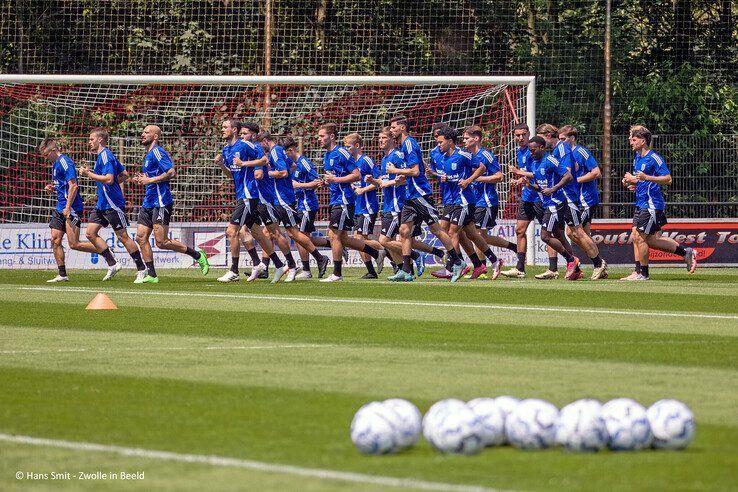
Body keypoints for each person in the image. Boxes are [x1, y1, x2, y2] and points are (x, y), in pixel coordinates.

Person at [385, 115, 460, 282]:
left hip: (420, 194)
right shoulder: (403, 145)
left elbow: (416, 171)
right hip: (409, 196)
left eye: (393, 127)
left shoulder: (410, 144)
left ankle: (456, 260)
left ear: (402, 127)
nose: (391, 130)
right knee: (404, 232)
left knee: (436, 230)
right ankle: (406, 271)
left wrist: (395, 171)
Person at [130, 125, 209, 283]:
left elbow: (171, 172)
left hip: (161, 202)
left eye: (146, 132)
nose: (142, 134)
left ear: (155, 137)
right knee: (140, 237)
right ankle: (152, 275)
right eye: (143, 132)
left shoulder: (158, 151)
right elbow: (153, 175)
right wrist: (142, 179)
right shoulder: (148, 154)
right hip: (148, 201)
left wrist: (150, 179)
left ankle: (198, 255)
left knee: (161, 242)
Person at [215, 118, 286, 283]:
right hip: (241, 194)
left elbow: (264, 161)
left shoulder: (246, 145)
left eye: (225, 127)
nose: (222, 129)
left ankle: (234, 271)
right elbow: (233, 174)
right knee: (250, 232)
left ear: (234, 130)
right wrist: (221, 166)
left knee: (231, 231)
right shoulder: (226, 150)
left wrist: (244, 162)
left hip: (249, 195)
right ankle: (275, 263)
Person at [621, 125, 696, 280]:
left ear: (642, 141)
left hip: (651, 205)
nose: (630, 141)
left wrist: (645, 178)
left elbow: (668, 179)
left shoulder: (654, 157)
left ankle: (643, 274)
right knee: (649, 240)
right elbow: (642, 179)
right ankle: (685, 252)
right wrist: (633, 183)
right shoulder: (637, 157)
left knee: (639, 237)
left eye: (633, 139)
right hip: (641, 202)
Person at [366, 127, 440, 277]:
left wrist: (391, 181)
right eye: (379, 138)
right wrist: (373, 181)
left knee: (385, 241)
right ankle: (405, 270)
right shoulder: (385, 158)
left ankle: (415, 256)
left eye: (384, 138)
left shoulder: (398, 156)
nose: (380, 140)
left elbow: (407, 177)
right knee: (401, 241)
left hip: (397, 204)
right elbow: (384, 181)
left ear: (392, 139)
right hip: (388, 204)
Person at [435, 127, 506, 282]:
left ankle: (455, 265)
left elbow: (482, 167)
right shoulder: (443, 158)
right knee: (470, 234)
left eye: (441, 142)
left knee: (453, 233)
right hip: (452, 201)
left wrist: (469, 180)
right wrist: (443, 177)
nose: (438, 144)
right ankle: (492, 261)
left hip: (465, 201)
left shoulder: (463, 155)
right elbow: (452, 176)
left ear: (450, 141)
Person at [258, 131, 330, 282]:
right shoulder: (277, 153)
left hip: (284, 200)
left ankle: (318, 258)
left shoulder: (275, 151)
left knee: (294, 233)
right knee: (268, 231)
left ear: (265, 141)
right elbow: (291, 166)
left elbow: (284, 172)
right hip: (280, 198)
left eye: (260, 144)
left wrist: (267, 173)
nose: (260, 148)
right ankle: (265, 267)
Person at [79, 127, 147, 281]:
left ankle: (142, 269)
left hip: (113, 204)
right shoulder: (102, 156)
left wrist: (89, 174)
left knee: (123, 237)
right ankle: (113, 263)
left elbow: (109, 179)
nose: (89, 142)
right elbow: (124, 175)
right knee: (90, 233)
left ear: (100, 139)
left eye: (91, 139)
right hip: (102, 204)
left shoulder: (105, 156)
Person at [537, 123, 604, 279]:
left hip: (568, 196)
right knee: (566, 232)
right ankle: (572, 265)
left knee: (577, 232)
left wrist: (554, 186)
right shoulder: (556, 150)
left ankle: (599, 264)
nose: (539, 143)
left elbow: (567, 173)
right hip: (561, 197)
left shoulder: (562, 149)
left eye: (540, 138)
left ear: (547, 135)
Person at [318, 123, 383, 282]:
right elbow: (336, 178)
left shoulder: (341, 153)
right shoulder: (327, 155)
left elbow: (356, 175)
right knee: (344, 239)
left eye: (322, 136)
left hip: (344, 199)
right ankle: (376, 253)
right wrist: (327, 182)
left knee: (333, 235)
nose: (319, 139)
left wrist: (335, 179)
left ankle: (337, 274)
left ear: (332, 136)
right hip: (335, 198)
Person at [462, 126, 518, 279]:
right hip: (474, 201)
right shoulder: (468, 156)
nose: (464, 141)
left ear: (476, 138)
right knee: (480, 237)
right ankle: (513, 247)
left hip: (486, 201)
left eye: (467, 138)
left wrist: (477, 178)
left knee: (477, 235)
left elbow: (499, 176)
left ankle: (481, 268)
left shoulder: (486, 155)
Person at [523, 136, 582, 280]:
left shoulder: (550, 160)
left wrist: (553, 189)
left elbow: (568, 176)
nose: (531, 153)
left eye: (533, 150)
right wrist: (530, 185)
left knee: (544, 236)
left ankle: (570, 260)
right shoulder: (534, 164)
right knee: (559, 234)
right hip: (547, 203)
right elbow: (542, 187)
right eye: (530, 150)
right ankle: (576, 270)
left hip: (556, 202)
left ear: (542, 147)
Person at [39, 138, 97, 282]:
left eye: (46, 155)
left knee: (74, 244)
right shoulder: (55, 165)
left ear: (53, 150)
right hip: (60, 208)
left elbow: (73, 186)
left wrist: (68, 207)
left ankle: (105, 251)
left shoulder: (65, 162)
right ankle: (62, 274)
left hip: (71, 209)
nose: (46, 158)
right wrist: (53, 188)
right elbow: (64, 186)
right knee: (55, 239)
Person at [557, 125, 609, 279]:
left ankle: (598, 264)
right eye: (559, 139)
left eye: (563, 139)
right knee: (581, 234)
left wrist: (574, 180)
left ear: (572, 138)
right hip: (575, 199)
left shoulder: (581, 152)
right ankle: (599, 266)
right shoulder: (563, 154)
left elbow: (596, 172)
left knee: (573, 232)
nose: (561, 142)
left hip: (586, 199)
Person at [283, 137, 331, 279]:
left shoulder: (304, 162)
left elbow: (318, 181)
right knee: (302, 237)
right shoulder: (294, 165)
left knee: (301, 237)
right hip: (299, 205)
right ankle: (334, 245)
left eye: (286, 154)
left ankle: (307, 270)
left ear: (291, 151)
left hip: (307, 205)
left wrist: (299, 186)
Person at [502, 123, 544, 278]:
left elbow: (538, 173)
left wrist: (518, 172)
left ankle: (564, 263)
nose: (520, 138)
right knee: (519, 230)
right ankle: (520, 267)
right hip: (527, 196)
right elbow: (528, 174)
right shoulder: (519, 152)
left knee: (550, 235)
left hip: (540, 196)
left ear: (529, 134)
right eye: (517, 135)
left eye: (523, 134)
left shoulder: (535, 151)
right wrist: (520, 180)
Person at [344, 133, 386, 279]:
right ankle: (371, 271)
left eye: (348, 146)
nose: (346, 149)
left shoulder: (365, 160)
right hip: (357, 206)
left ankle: (385, 249)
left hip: (368, 206)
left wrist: (363, 189)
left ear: (357, 146)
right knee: (358, 239)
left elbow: (380, 179)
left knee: (360, 239)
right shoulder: (350, 163)